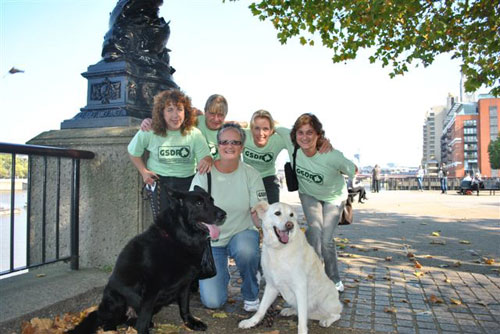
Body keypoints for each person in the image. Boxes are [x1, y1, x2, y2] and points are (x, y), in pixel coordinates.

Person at [190, 123, 267, 312]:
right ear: (217, 145)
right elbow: (191, 211)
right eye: (224, 142)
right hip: (212, 242)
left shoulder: (251, 174)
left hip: (242, 233)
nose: (229, 146)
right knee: (213, 302)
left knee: (247, 251)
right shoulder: (204, 174)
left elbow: (260, 211)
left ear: (242, 146)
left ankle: (250, 292)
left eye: (235, 142)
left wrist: (264, 226)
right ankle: (222, 275)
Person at [287, 113, 356, 293]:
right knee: (314, 232)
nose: (304, 137)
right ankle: (312, 276)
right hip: (309, 195)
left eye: (310, 132)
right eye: (300, 132)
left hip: (333, 198)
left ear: (319, 135)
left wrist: (350, 166)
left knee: (326, 239)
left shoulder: (331, 155)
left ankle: (334, 278)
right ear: (295, 135)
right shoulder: (292, 146)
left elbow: (353, 169)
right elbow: (269, 125)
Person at [128, 89, 212, 212]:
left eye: (179, 109)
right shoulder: (149, 130)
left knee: (187, 224)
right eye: (169, 110)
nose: (175, 115)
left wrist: (207, 160)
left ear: (186, 112)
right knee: (164, 225)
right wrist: (144, 172)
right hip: (160, 183)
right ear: (161, 112)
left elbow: (206, 157)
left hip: (187, 182)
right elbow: (133, 152)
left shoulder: (194, 134)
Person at [141, 93, 229, 159]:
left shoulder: (229, 133)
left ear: (225, 115)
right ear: (205, 111)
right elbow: (173, 121)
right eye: (212, 113)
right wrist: (149, 121)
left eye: (220, 115)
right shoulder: (196, 121)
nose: (216, 119)